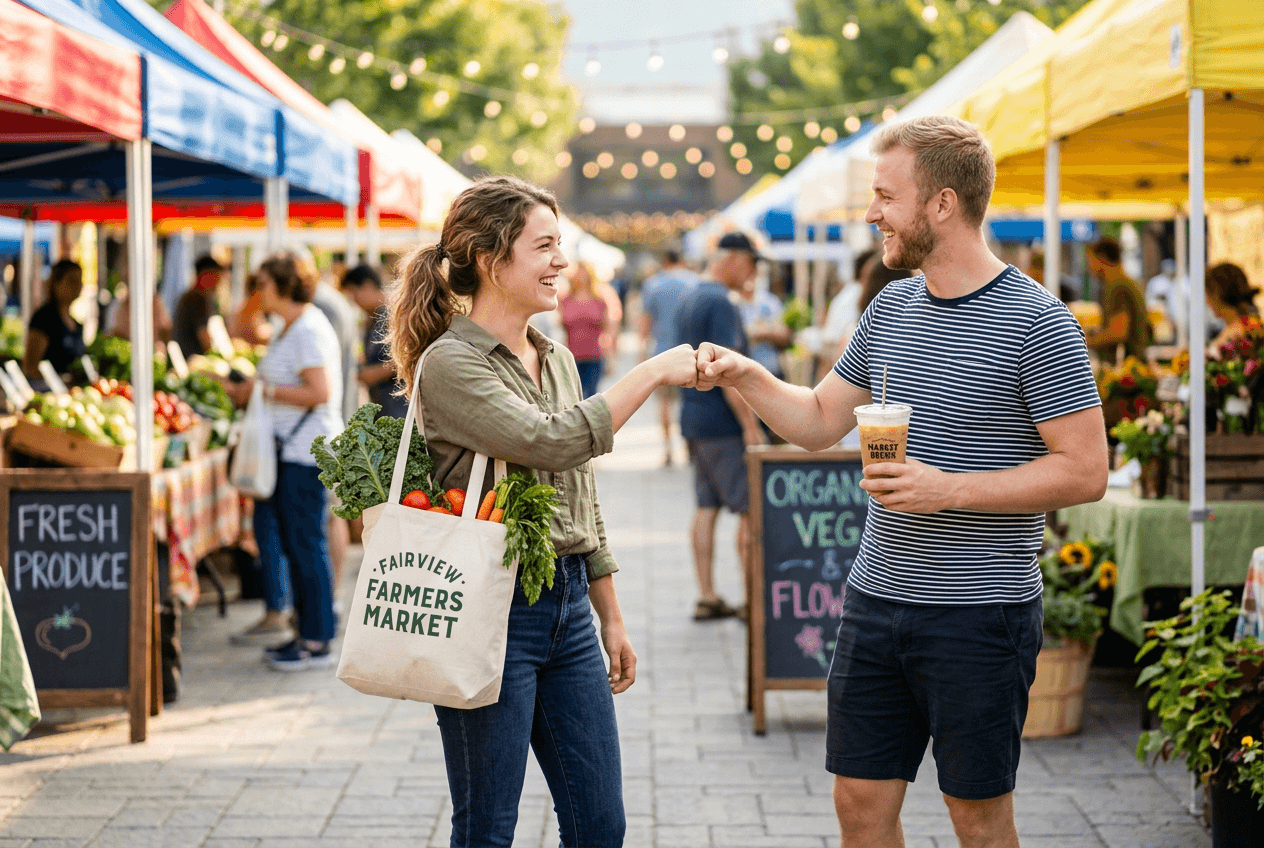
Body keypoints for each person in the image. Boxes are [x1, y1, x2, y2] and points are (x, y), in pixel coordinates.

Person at [695, 116, 1108, 848]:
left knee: (976, 819)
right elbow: (823, 419)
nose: (871, 212)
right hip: (876, 600)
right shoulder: (890, 307)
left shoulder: (1038, 321)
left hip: (980, 615)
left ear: (942, 204)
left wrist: (948, 488)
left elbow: (1085, 471)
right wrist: (750, 374)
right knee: (858, 802)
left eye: (886, 195)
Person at [385, 175, 696, 847]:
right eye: (544, 246)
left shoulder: (553, 358)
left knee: (599, 825)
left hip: (567, 609)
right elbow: (550, 443)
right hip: (486, 609)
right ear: (492, 259)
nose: (561, 260)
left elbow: (580, 491)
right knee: (488, 828)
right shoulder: (451, 364)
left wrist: (610, 615)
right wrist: (652, 371)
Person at [223, 251, 343, 670]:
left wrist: (263, 390)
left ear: (282, 285)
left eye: (263, 284)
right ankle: (305, 631)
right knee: (298, 545)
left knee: (307, 546)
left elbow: (320, 391)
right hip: (291, 452)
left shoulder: (307, 329)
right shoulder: (290, 327)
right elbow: (239, 326)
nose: (258, 292)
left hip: (304, 453)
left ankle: (316, 640)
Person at [677, 231, 769, 621]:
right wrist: (751, 426)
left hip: (695, 418)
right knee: (750, 510)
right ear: (732, 258)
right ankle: (753, 601)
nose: (751, 274)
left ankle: (707, 594)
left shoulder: (692, 295)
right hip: (722, 423)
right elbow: (727, 373)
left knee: (706, 506)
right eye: (750, 264)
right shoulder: (721, 302)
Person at [639, 249, 699, 465]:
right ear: (681, 260)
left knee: (665, 403)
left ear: (664, 261)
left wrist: (642, 351)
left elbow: (645, 322)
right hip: (692, 352)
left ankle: (668, 449)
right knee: (690, 403)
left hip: (662, 352)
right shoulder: (694, 283)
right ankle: (689, 448)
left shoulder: (653, 284)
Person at [341, 264, 407, 419]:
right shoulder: (372, 319)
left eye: (354, 293)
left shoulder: (396, 314)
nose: (354, 301)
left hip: (400, 411)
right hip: (384, 411)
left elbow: (411, 356)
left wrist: (375, 373)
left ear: (368, 286)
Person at [1084, 236, 1150, 361]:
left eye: (1090, 261)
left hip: (1125, 368)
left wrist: (1086, 341)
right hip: (1135, 362)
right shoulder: (1129, 282)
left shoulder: (1116, 285)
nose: (1089, 267)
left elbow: (1118, 331)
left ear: (1101, 258)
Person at [23, 259, 86, 379]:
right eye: (72, 281)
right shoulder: (44, 319)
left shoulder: (76, 323)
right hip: (48, 392)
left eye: (80, 281)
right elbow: (30, 367)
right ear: (55, 283)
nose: (78, 286)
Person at [558, 260, 611, 398]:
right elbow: (559, 327)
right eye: (579, 274)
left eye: (585, 274)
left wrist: (611, 356)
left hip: (594, 355)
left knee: (591, 395)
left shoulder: (599, 300)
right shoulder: (566, 299)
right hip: (571, 356)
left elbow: (608, 329)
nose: (581, 277)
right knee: (574, 396)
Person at [173, 254, 226, 356]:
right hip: (192, 359)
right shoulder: (196, 299)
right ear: (205, 275)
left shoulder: (191, 296)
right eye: (216, 275)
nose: (218, 281)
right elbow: (204, 337)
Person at [1206, 261, 1260, 356]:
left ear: (1216, 294)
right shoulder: (1245, 323)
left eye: (1207, 295)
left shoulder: (1238, 332)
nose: (1207, 302)